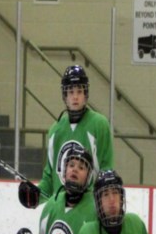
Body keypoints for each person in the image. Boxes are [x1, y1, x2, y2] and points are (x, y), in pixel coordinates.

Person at [17, 65, 113, 209]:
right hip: (60, 209)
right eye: (71, 91)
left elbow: (106, 170)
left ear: (85, 94)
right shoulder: (55, 130)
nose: (75, 96)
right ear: (64, 95)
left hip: (89, 210)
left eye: (79, 91)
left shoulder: (99, 125)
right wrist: (36, 195)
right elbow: (49, 179)